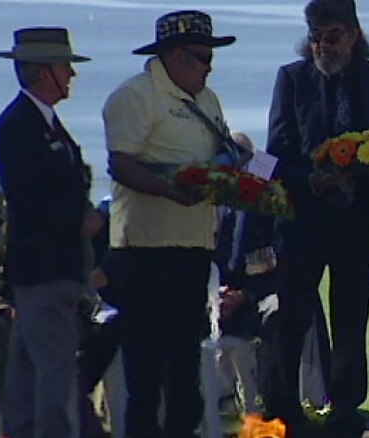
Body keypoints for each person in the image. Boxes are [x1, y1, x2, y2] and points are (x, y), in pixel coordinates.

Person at [260, 0, 369, 436]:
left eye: (333, 36)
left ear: (354, 34)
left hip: (359, 221)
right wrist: (311, 179)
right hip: (304, 221)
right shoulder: (292, 79)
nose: (324, 45)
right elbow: (277, 150)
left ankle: (346, 411)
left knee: (351, 320)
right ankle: (284, 411)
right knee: (292, 319)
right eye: (316, 37)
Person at [101, 10, 238, 437]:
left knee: (184, 365)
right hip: (146, 250)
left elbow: (226, 150)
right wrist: (171, 189)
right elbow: (121, 164)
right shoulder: (136, 96)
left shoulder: (207, 101)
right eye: (202, 56)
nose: (209, 66)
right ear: (176, 57)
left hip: (193, 247)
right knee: (146, 370)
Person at [0, 27, 103, 438]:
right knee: (55, 374)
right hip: (43, 268)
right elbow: (30, 199)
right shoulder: (19, 126)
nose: (70, 76)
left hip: (48, 269)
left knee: (24, 374)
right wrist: (80, 220)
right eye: (64, 68)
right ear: (43, 73)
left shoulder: (44, 122)